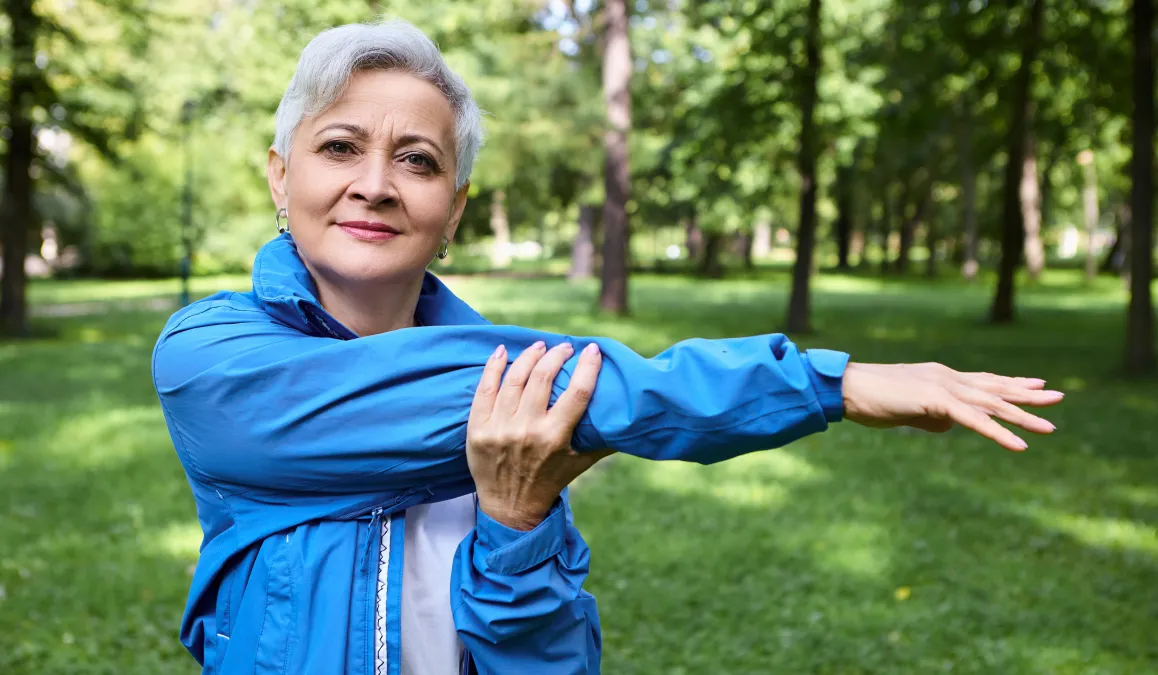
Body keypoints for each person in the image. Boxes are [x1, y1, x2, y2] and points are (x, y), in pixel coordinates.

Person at [151, 20, 1063, 675]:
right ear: (282, 175)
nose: (377, 185)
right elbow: (596, 386)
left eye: (419, 160)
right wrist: (836, 382)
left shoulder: (523, 421)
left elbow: (554, 663)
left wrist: (512, 526)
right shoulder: (210, 356)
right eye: (340, 146)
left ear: (455, 207)